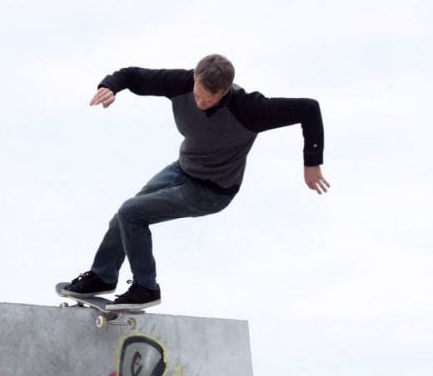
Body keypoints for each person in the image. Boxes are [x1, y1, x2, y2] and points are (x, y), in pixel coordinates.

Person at [65, 54, 329, 309]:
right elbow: (133, 75)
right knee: (124, 216)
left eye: (209, 98)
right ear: (194, 79)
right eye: (198, 94)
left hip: (212, 191)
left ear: (224, 91)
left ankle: (146, 289)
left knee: (131, 213)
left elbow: (309, 109)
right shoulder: (180, 83)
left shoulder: (251, 109)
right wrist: (110, 86)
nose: (200, 102)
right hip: (182, 169)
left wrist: (312, 162)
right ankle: (103, 276)